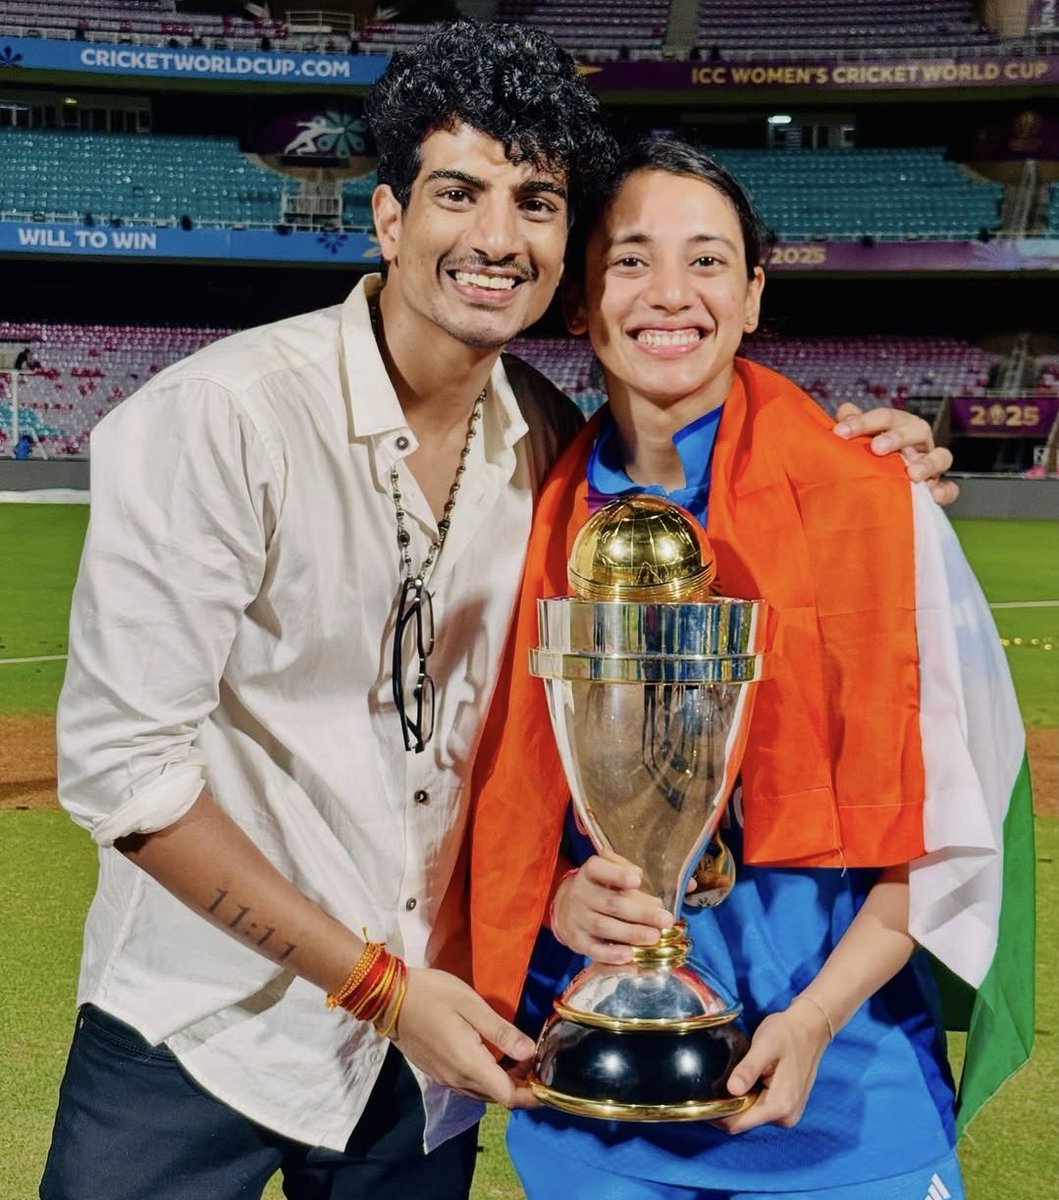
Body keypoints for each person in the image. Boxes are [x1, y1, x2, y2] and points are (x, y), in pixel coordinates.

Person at [41, 22, 956, 1200]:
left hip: (442, 1038)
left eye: (534, 201)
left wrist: (882, 460)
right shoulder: (221, 421)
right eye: (458, 192)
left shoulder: (548, 450)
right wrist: (379, 988)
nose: (496, 236)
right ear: (387, 217)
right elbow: (126, 774)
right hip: (203, 1024)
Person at [468, 136, 1031, 1200]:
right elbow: (482, 797)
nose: (669, 294)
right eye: (629, 260)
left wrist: (815, 1019)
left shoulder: (868, 498)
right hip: (596, 1104)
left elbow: (950, 821)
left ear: (755, 293)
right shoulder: (517, 516)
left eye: (708, 260)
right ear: (582, 303)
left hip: (843, 1093)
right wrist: (555, 900)